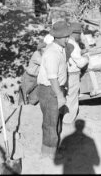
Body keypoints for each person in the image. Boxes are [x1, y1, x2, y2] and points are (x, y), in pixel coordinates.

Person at [37, 21, 72, 158]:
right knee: (50, 122)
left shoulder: (60, 49)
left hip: (56, 89)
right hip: (50, 91)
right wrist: (60, 95)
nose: (67, 39)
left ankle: (55, 146)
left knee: (56, 119)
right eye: (65, 37)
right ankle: (49, 152)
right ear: (57, 37)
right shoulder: (52, 53)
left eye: (68, 36)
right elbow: (52, 78)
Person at [63, 22, 89, 125]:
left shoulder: (66, 42)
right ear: (76, 33)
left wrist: (81, 52)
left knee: (66, 95)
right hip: (73, 74)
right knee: (72, 97)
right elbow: (81, 63)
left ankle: (62, 113)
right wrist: (86, 58)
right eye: (79, 34)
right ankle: (68, 120)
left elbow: (73, 55)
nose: (79, 36)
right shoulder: (74, 44)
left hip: (65, 73)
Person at [18, 40, 47, 105]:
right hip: (29, 76)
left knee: (35, 96)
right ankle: (22, 107)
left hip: (37, 77)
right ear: (41, 49)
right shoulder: (36, 54)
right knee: (23, 94)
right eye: (45, 48)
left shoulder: (44, 55)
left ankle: (30, 104)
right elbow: (44, 63)